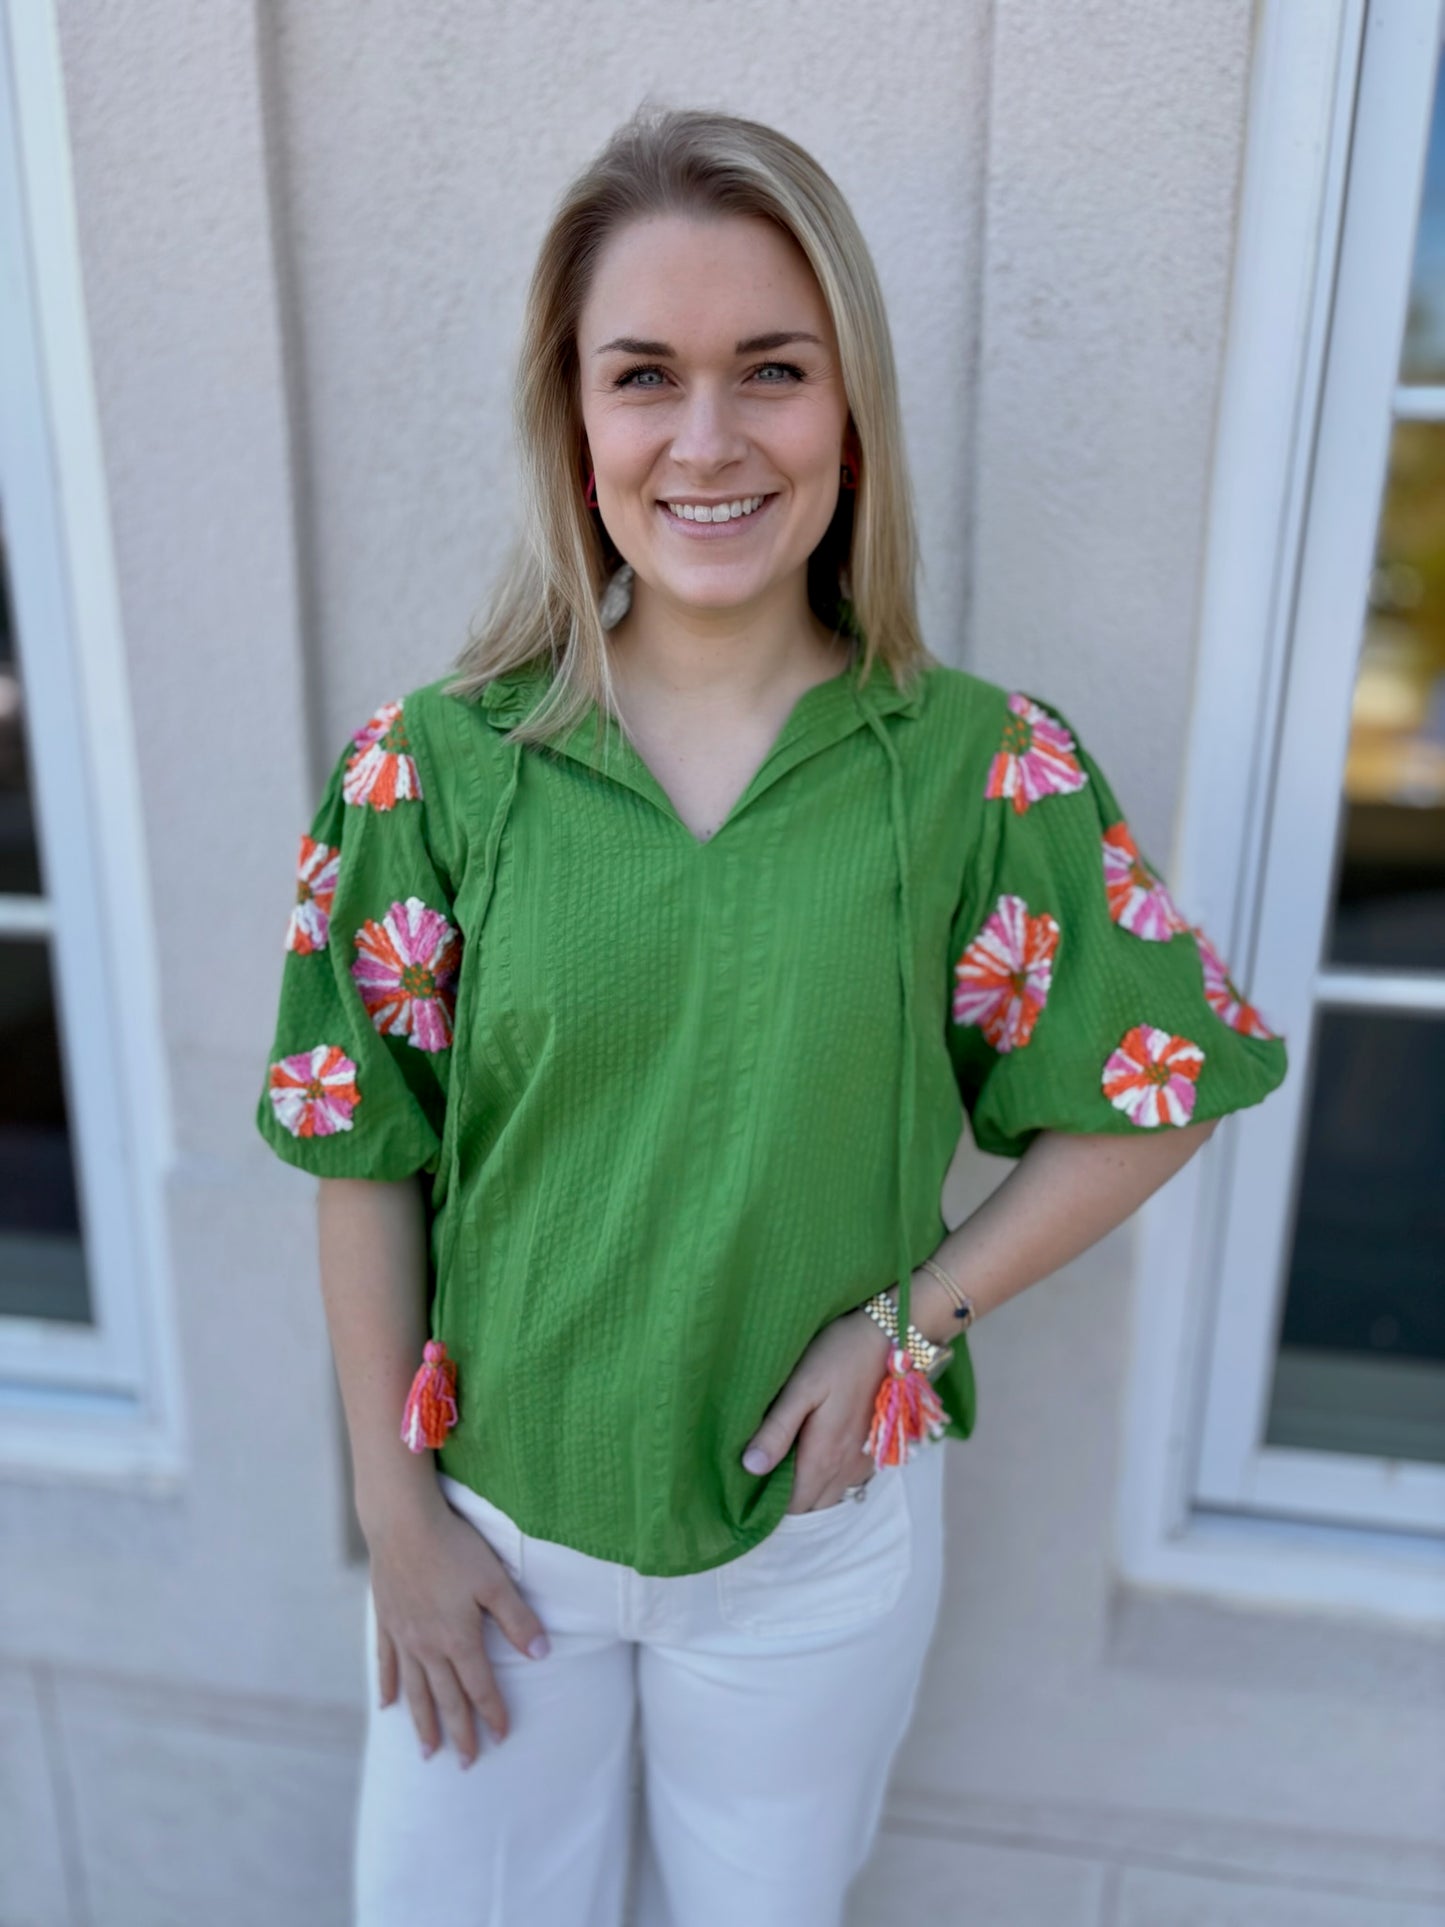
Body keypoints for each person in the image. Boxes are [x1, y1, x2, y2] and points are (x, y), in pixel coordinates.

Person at [254, 104, 1289, 1927]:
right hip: (496, 1527)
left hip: (814, 1546)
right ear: (573, 425)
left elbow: (1154, 1085)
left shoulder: (979, 769)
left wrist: (916, 1316)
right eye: (643, 375)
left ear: (849, 410)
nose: (708, 439)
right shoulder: (433, 772)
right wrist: (391, 1524)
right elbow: (362, 1154)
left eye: (772, 372)